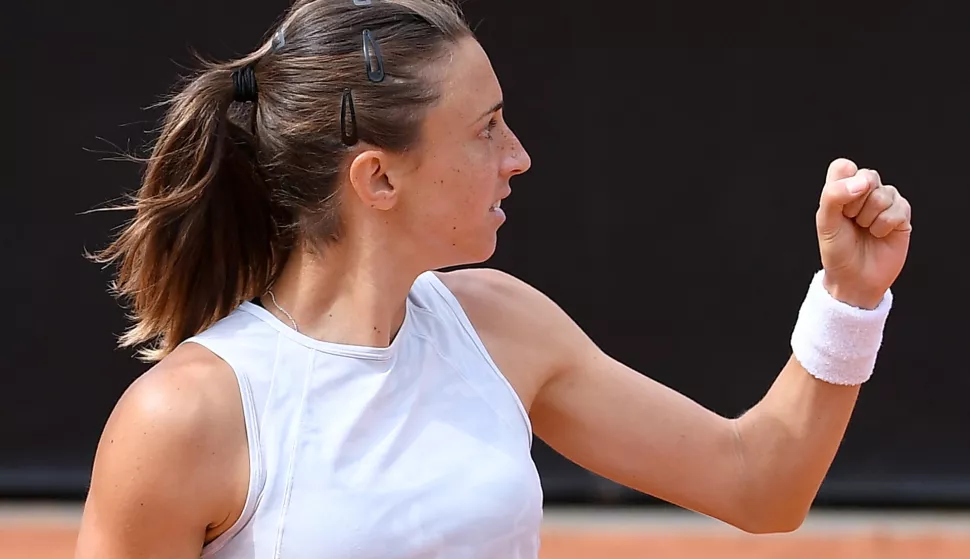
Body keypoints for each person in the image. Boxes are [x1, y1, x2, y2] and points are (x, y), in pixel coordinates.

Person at [74, 1, 914, 558]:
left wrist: (851, 298)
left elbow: (757, 481)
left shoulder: (503, 327)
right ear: (379, 179)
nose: (518, 157)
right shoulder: (183, 418)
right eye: (485, 130)